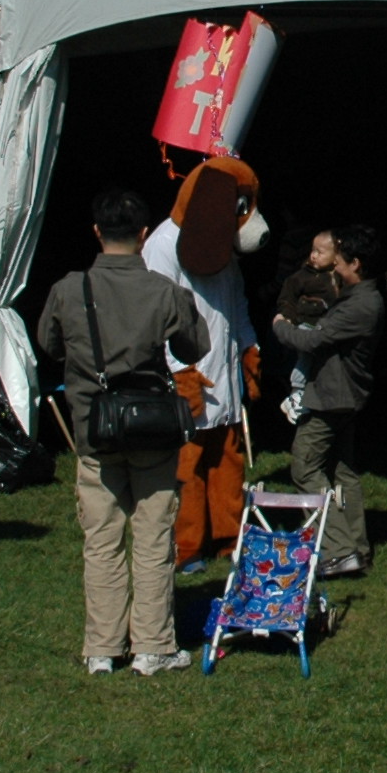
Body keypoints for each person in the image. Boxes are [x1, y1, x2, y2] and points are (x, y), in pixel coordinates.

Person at [35, 185, 210, 676]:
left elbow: (49, 344)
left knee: (102, 539)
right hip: (152, 431)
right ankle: (152, 646)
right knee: (153, 536)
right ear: (144, 234)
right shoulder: (163, 291)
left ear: (97, 232)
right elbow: (195, 347)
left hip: (94, 430)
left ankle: (103, 648)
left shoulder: (69, 290)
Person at [142, 155, 263, 568]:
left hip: (222, 373)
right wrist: (179, 371)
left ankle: (230, 537)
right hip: (189, 375)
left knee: (227, 460)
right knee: (187, 464)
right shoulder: (164, 245)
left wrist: (249, 347)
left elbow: (236, 303)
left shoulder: (222, 243)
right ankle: (189, 545)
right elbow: (157, 311)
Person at [271, 223, 383, 578]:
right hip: (342, 395)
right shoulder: (355, 297)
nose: (335, 264)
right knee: (341, 471)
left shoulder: (360, 305)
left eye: (341, 260)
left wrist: (280, 326)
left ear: (356, 264)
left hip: (331, 398)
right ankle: (356, 548)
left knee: (304, 466)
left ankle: (339, 549)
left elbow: (312, 340)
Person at [272, 229, 345, 426]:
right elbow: (287, 298)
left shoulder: (339, 277)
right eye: (312, 250)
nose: (313, 255)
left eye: (320, 252)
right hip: (305, 324)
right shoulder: (302, 277)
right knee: (306, 354)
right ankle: (296, 393)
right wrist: (286, 317)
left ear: (336, 256)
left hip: (326, 327)